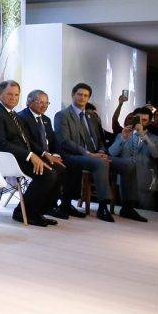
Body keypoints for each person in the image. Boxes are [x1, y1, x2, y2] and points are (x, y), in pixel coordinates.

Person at [54, 83, 140, 221]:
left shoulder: (92, 116)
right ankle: (103, 207)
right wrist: (89, 154)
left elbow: (100, 139)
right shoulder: (62, 115)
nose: (82, 97)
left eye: (85, 95)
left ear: (88, 98)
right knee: (101, 163)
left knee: (128, 165)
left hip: (95, 154)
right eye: (79, 94)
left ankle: (128, 207)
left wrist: (101, 150)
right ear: (73, 95)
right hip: (73, 156)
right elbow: (64, 141)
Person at [0, 81, 59, 226]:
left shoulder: (12, 113)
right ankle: (22, 213)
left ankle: (39, 210)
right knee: (47, 175)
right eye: (10, 94)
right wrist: (30, 155)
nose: (13, 98)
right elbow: (0, 144)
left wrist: (43, 153)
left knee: (59, 169)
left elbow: (26, 139)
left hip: (18, 156)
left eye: (16, 95)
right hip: (4, 159)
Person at [19, 89, 85, 219]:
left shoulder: (46, 119)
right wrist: (45, 154)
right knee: (57, 170)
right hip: (33, 156)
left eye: (46, 103)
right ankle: (45, 206)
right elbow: (28, 142)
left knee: (74, 165)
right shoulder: (22, 117)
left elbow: (54, 141)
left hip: (48, 155)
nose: (44, 106)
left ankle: (63, 204)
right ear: (29, 102)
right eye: (40, 102)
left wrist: (55, 155)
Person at [106, 111, 158, 220]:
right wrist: (123, 138)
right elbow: (111, 153)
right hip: (125, 179)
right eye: (137, 119)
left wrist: (144, 136)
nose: (140, 122)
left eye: (144, 120)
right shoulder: (122, 135)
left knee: (148, 210)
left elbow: (156, 154)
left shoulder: (155, 138)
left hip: (146, 180)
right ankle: (127, 209)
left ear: (149, 122)